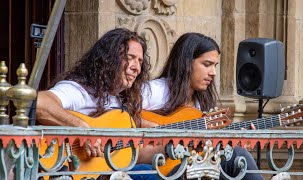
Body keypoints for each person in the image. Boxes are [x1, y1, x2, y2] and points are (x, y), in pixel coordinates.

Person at [36, 28, 159, 179]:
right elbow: (40, 103)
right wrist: (83, 130)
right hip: (61, 170)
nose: (137, 68)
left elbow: (134, 154)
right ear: (109, 58)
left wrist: (170, 146)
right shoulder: (79, 90)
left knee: (148, 172)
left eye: (140, 61)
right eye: (130, 57)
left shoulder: (119, 101)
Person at [141, 32, 264, 179]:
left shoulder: (199, 104)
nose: (213, 73)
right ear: (185, 62)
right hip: (163, 170)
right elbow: (122, 117)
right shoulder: (155, 90)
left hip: (190, 168)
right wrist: (166, 132)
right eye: (207, 64)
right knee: (237, 155)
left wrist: (233, 141)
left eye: (215, 66)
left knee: (237, 156)